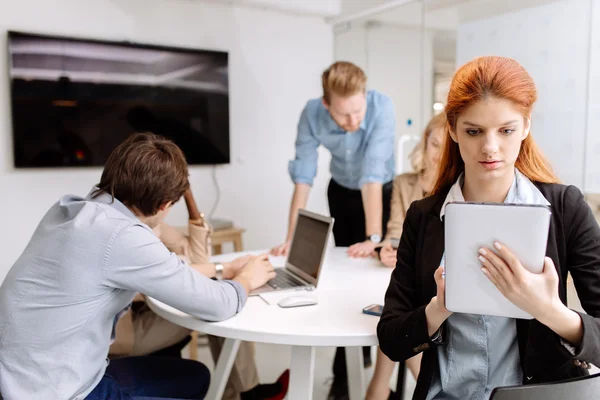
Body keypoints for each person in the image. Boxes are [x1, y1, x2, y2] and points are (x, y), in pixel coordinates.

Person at [377, 56, 600, 400]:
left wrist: (549, 311)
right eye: (473, 131)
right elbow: (391, 338)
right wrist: (440, 308)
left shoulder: (565, 208)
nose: (490, 147)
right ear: (452, 130)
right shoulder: (423, 217)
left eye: (506, 130)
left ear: (526, 126)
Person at [0, 133, 276, 400]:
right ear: (164, 204)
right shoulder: (123, 236)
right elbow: (217, 304)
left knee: (196, 377)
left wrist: (224, 270)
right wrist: (247, 279)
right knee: (195, 378)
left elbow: (172, 271)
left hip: (21, 377)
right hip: (59, 391)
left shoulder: (75, 209)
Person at [270, 61, 396, 399]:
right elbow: (303, 177)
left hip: (381, 192)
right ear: (326, 105)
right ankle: (344, 376)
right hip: (341, 191)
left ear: (365, 96)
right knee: (347, 269)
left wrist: (373, 239)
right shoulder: (311, 114)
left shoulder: (382, 109)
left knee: (377, 271)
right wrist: (292, 237)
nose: (353, 122)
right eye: (343, 116)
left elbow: (372, 176)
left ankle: (378, 354)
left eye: (358, 111)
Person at [109, 187, 290, 400]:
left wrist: (189, 199)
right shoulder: (126, 231)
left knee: (216, 294)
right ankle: (247, 393)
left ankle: (240, 393)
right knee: (217, 306)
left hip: (136, 314)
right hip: (123, 336)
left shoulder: (142, 217)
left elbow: (196, 257)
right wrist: (228, 270)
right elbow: (170, 274)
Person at [366, 112, 446, 400]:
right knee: (395, 317)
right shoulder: (404, 183)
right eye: (433, 144)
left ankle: (379, 390)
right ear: (425, 143)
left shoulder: (455, 190)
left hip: (435, 283)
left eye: (445, 146)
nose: (437, 154)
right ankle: (386, 388)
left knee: (396, 322)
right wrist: (386, 248)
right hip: (405, 276)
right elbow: (395, 231)